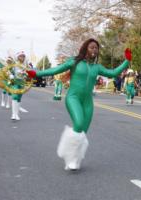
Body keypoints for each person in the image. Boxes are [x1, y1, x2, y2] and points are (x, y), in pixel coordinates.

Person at [27, 38, 132, 171]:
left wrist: (126, 61)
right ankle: (68, 154)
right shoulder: (74, 62)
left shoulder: (97, 67)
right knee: (78, 123)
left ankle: (75, 159)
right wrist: (36, 73)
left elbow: (113, 73)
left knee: (83, 133)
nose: (94, 50)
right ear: (85, 49)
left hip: (87, 102)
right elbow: (55, 70)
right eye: (91, 47)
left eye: (96, 48)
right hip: (73, 98)